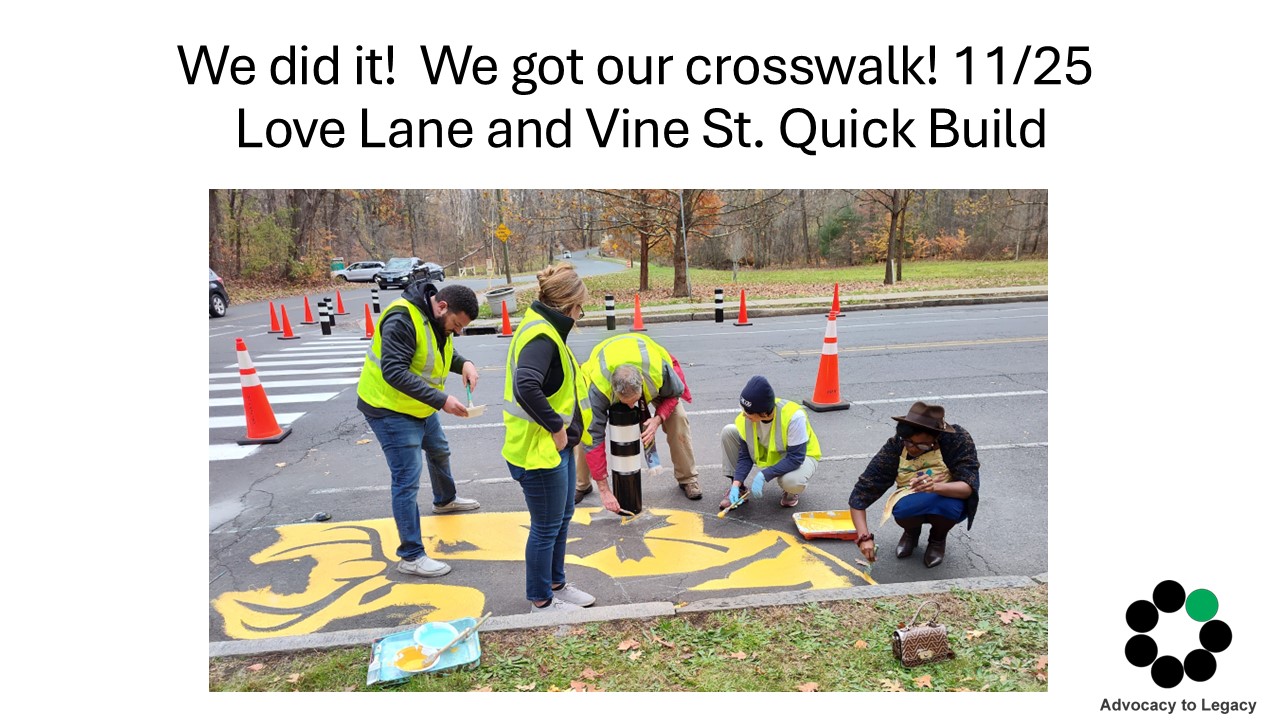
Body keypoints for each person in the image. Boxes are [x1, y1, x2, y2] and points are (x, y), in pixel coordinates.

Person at [357, 280, 482, 579]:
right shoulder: (402, 318)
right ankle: (411, 555)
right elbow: (394, 370)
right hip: (389, 409)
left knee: (439, 449)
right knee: (406, 479)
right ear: (442, 306)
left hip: (418, 405)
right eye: (456, 324)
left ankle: (445, 500)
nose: (457, 331)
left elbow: (439, 353)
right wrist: (441, 400)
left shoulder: (437, 321)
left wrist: (464, 363)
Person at [502, 262, 598, 613]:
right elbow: (525, 384)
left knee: (562, 517)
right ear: (568, 306)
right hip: (537, 451)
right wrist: (557, 428)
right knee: (545, 527)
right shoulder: (542, 335)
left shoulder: (547, 329)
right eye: (580, 309)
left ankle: (557, 584)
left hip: (555, 449)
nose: (579, 316)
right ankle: (541, 601)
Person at [846, 402, 980, 569]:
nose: (913, 449)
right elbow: (862, 491)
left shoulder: (957, 439)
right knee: (903, 510)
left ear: (937, 437)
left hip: (948, 493)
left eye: (922, 445)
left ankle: (937, 539)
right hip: (910, 494)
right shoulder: (897, 444)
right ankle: (911, 532)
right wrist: (864, 538)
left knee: (949, 508)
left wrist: (935, 487)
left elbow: (968, 487)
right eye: (909, 442)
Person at [575, 333, 701, 510]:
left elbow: (675, 392)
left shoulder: (659, 370)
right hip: (604, 376)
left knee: (678, 419)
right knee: (585, 431)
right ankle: (582, 484)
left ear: (642, 382)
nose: (632, 407)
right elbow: (593, 435)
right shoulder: (598, 387)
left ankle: (688, 479)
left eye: (635, 400)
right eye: (626, 402)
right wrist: (604, 490)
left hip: (653, 380)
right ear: (613, 388)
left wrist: (658, 418)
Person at [719, 375, 821, 510]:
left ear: (764, 414)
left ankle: (791, 492)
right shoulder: (745, 418)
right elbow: (744, 456)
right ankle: (739, 491)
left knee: (791, 481)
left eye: (748, 412)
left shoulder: (794, 416)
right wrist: (736, 484)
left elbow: (796, 458)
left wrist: (764, 475)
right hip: (770, 453)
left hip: (801, 457)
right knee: (729, 431)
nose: (744, 415)